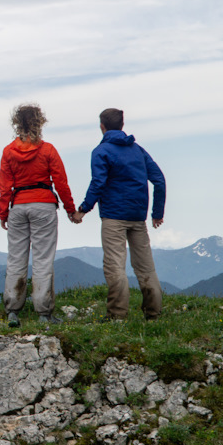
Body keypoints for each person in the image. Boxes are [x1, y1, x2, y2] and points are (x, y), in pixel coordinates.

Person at [72, 108, 166, 321]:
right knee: (145, 266)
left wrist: (83, 210)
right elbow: (159, 179)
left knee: (115, 265)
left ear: (102, 126)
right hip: (138, 216)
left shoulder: (101, 151)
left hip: (114, 216)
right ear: (122, 125)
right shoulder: (138, 150)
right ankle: (153, 313)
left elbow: (98, 183)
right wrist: (157, 213)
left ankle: (117, 315)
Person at [0, 104, 78, 327]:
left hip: (18, 206)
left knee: (16, 259)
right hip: (43, 205)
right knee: (42, 260)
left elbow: (5, 186)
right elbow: (61, 182)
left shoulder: (8, 152)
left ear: (16, 123)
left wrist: (3, 212)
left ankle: (13, 311)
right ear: (40, 122)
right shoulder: (48, 150)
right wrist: (70, 209)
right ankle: (44, 313)